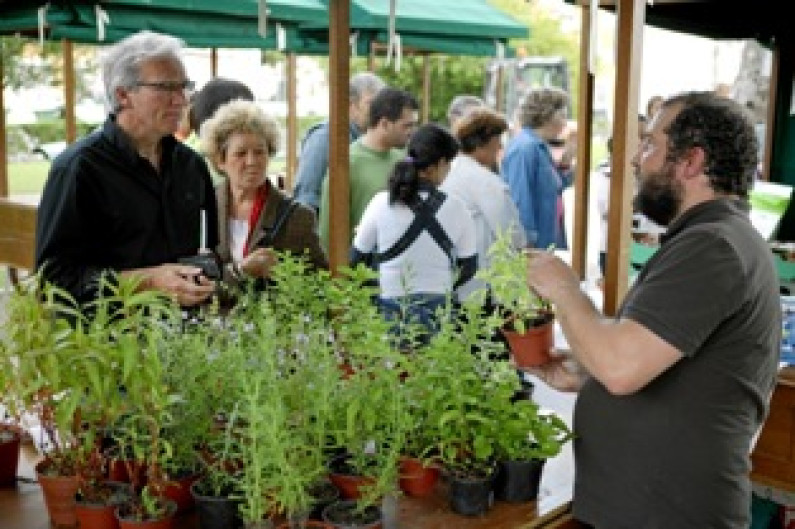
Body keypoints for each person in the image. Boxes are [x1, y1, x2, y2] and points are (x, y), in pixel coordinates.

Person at [522, 92, 781, 528]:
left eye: (650, 145)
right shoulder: (711, 238)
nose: (638, 161)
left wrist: (563, 288)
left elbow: (622, 368)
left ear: (692, 161)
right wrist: (588, 374)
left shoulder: (713, 245)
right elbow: (652, 360)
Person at [35, 30, 218, 307]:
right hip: (108, 341)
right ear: (123, 95)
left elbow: (210, 250)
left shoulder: (191, 165)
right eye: (166, 87)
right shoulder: (79, 169)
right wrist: (149, 281)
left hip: (186, 338)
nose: (181, 99)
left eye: (184, 86)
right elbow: (54, 281)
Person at [350, 123, 477, 342]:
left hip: (391, 303)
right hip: (437, 305)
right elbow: (469, 266)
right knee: (431, 371)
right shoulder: (458, 208)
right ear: (439, 164)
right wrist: (443, 282)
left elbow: (356, 257)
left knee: (394, 372)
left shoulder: (381, 203)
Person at [201, 99, 327, 293]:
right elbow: (195, 278)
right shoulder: (204, 209)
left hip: (269, 322)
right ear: (220, 161)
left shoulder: (297, 217)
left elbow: (319, 283)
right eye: (241, 153)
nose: (252, 161)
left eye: (260, 152)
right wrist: (242, 272)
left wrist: (284, 274)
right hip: (212, 320)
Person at [319, 88, 419, 250]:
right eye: (407, 126)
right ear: (384, 124)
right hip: (360, 268)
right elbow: (329, 231)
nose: (412, 132)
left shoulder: (405, 158)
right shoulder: (347, 163)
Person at [441, 107, 525, 301]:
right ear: (480, 144)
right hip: (482, 284)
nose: (499, 149)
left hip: (451, 278)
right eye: (496, 143)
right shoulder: (485, 181)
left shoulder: (447, 172)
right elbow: (509, 232)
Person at [292, 72, 385, 211]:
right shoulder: (324, 138)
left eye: (383, 105)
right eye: (371, 104)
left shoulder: (376, 141)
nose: (380, 111)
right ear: (350, 105)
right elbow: (306, 198)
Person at [501, 87, 573, 249]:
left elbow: (553, 188)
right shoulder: (525, 148)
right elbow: (520, 197)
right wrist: (528, 243)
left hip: (547, 241)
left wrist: (565, 165)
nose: (565, 123)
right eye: (562, 116)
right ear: (547, 115)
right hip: (534, 247)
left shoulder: (539, 147)